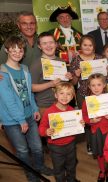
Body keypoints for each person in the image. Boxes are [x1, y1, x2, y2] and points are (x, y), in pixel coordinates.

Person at [0, 36, 53, 181]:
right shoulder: (2, 73)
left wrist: (35, 108)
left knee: (37, 147)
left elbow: (28, 91)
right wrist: (21, 120)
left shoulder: (24, 68)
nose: (17, 53)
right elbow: (8, 100)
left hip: (29, 115)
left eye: (20, 50)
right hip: (12, 120)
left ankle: (40, 167)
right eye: (13, 50)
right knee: (23, 150)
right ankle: (30, 174)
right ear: (7, 51)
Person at [39, 82, 85, 182]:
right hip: (55, 147)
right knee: (58, 168)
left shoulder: (73, 111)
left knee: (71, 165)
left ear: (72, 96)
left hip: (71, 144)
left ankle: (71, 179)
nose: (65, 96)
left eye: (68, 94)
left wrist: (80, 124)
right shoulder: (49, 111)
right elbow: (41, 128)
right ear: (56, 95)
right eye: (61, 93)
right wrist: (46, 131)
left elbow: (75, 129)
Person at [69, 34, 102, 155]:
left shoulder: (99, 58)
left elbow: (104, 79)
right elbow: (73, 82)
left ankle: (99, 141)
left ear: (94, 47)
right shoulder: (76, 60)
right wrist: (76, 75)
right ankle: (90, 143)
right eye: (85, 45)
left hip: (98, 95)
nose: (88, 47)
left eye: (90, 45)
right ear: (81, 46)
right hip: (83, 94)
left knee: (99, 119)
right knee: (88, 121)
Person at [82, 73, 108, 182]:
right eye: (93, 85)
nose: (96, 88)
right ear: (89, 87)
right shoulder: (87, 101)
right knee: (99, 153)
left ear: (104, 85)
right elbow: (84, 116)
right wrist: (90, 121)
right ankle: (102, 170)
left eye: (99, 84)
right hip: (96, 131)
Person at [30, 32, 73, 116]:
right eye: (44, 43)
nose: (48, 46)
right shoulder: (36, 64)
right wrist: (51, 84)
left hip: (63, 104)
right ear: (39, 46)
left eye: (51, 42)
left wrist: (68, 78)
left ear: (56, 44)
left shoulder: (61, 62)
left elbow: (64, 85)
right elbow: (31, 88)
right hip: (45, 107)